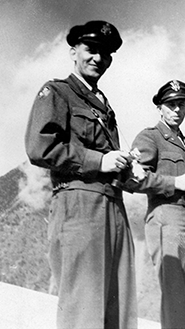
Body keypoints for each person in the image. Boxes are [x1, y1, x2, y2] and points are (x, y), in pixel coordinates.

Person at [25, 20, 138, 329]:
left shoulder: (104, 105)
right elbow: (40, 148)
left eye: (105, 54)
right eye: (91, 50)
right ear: (74, 51)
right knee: (84, 311)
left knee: (120, 309)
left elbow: (108, 159)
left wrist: (126, 167)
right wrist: (99, 161)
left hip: (114, 208)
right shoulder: (57, 92)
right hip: (78, 207)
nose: (97, 59)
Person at [125, 80, 185, 329]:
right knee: (176, 296)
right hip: (166, 219)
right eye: (171, 104)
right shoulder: (150, 137)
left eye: (181, 104)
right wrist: (176, 182)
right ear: (160, 107)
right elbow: (132, 179)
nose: (177, 110)